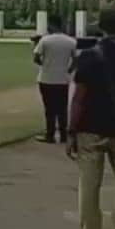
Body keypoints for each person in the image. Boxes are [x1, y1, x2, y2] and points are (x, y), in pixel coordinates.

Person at [67, 8, 115, 229]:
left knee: (89, 188)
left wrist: (70, 131)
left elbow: (79, 98)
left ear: (100, 27)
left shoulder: (89, 56)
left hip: (90, 129)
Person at [33, 15, 76, 143]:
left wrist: (45, 65)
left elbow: (35, 57)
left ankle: (50, 135)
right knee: (62, 108)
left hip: (46, 78)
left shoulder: (45, 40)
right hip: (62, 79)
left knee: (49, 109)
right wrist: (68, 69)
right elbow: (76, 59)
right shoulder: (70, 41)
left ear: (51, 25)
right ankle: (63, 135)